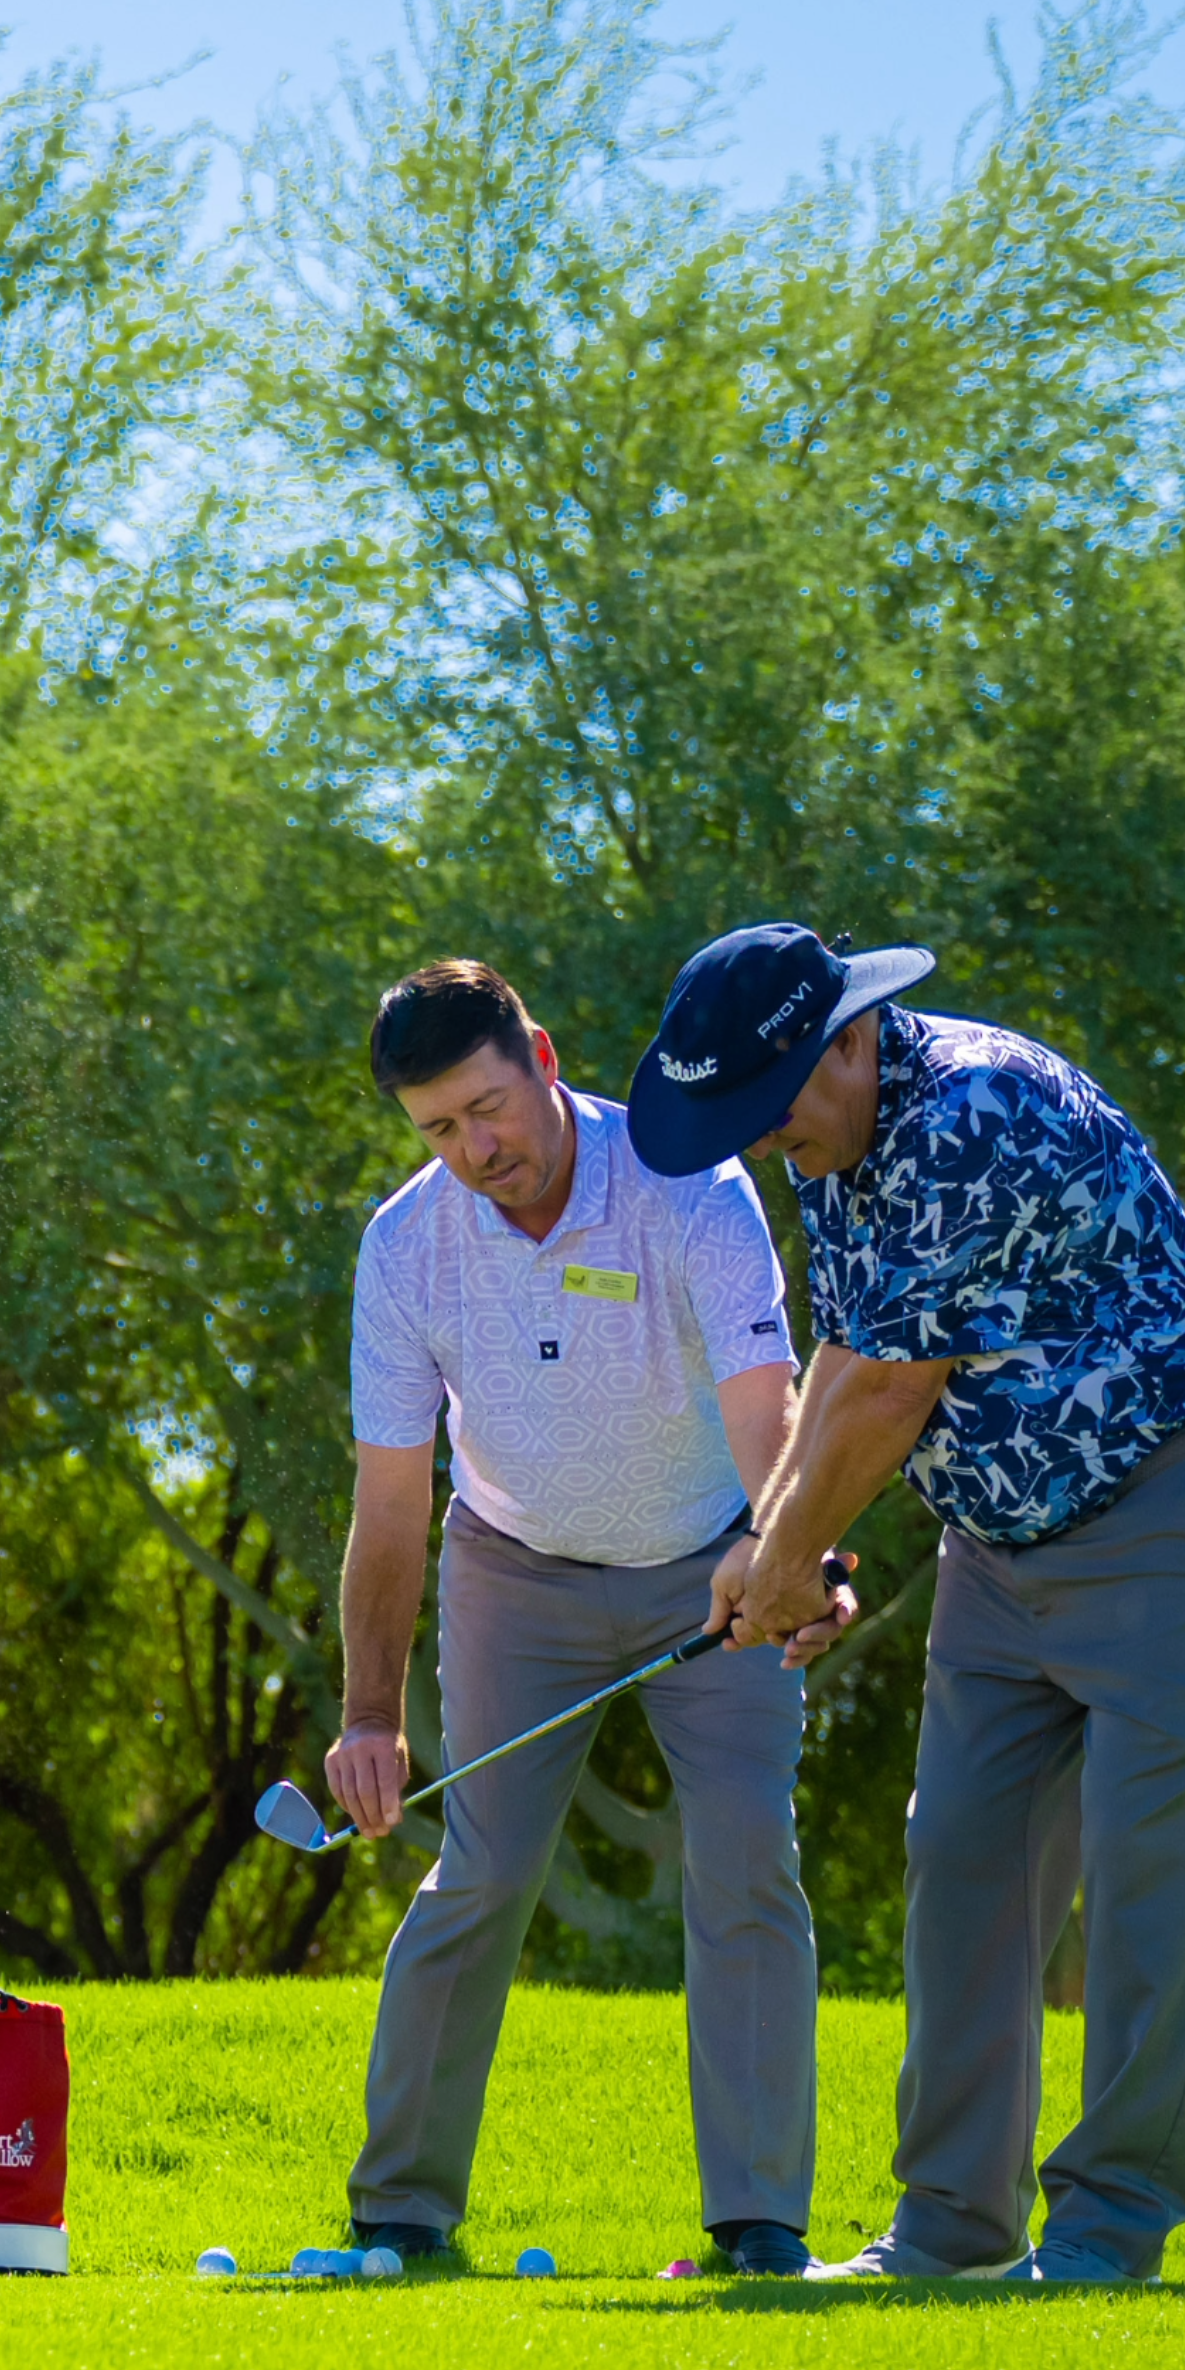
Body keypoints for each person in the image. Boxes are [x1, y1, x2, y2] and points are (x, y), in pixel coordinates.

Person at [639, 924, 1185, 2287]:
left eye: (768, 1109)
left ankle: (1109, 2231)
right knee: (963, 1868)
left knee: (1155, 1885)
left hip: (1181, 1510)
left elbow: (896, 1393)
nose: (762, 1141)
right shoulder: (839, 1141)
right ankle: (948, 2231)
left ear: (847, 1041)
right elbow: (848, 1349)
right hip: (1002, 1550)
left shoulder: (970, 1109)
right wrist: (768, 1536)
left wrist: (785, 1560)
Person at [323, 959, 849, 2278]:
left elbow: (766, 1408)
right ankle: (401, 2212)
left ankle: (759, 2227)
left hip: (713, 1571)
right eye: (438, 1128)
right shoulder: (403, 1246)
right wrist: (369, 1715)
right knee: (485, 1871)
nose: (475, 1149)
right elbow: (391, 1505)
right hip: (517, 1571)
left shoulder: (689, 1186)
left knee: (744, 1866)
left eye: (489, 1108)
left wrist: (782, 1556)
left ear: (543, 1056)